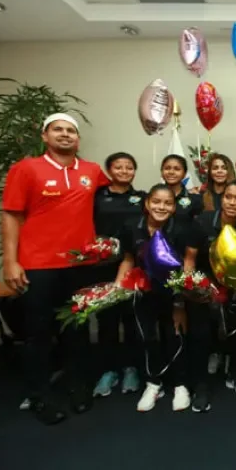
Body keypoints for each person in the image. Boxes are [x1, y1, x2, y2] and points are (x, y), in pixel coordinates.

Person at [1, 113, 110, 425]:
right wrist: (11, 261)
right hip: (38, 265)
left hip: (81, 265)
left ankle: (78, 388)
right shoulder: (25, 169)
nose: (65, 135)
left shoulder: (91, 171)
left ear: (78, 139)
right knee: (38, 333)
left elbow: (115, 199)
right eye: (58, 130)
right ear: (45, 137)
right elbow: (11, 215)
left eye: (71, 131)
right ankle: (39, 396)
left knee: (76, 331)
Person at [115, 184, 202, 413]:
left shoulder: (184, 229)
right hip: (143, 292)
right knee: (147, 338)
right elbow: (127, 259)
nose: (161, 207)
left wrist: (181, 297)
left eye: (167, 203)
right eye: (156, 201)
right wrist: (117, 286)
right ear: (147, 203)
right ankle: (153, 383)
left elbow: (189, 263)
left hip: (174, 293)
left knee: (175, 335)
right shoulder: (131, 227)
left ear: (174, 208)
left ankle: (180, 384)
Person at [193, 180, 236, 409]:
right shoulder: (202, 222)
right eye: (228, 196)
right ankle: (202, 385)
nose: (232, 202)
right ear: (222, 198)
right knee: (202, 335)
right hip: (203, 288)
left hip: (234, 289)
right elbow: (190, 259)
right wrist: (193, 287)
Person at [92, 152, 144, 398]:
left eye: (129, 167)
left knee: (132, 319)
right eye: (119, 167)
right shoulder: (97, 197)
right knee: (107, 320)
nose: (124, 171)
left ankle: (132, 368)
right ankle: (108, 370)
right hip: (102, 266)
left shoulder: (141, 198)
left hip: (134, 266)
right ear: (110, 170)